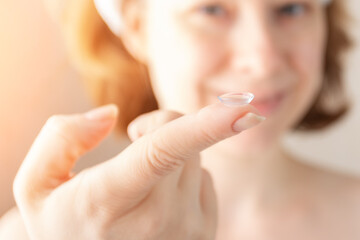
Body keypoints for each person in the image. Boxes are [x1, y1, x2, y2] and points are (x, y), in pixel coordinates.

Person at [0, 0, 358, 239]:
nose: (262, 60)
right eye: (212, 10)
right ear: (138, 28)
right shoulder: (37, 232)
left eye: (292, 8)